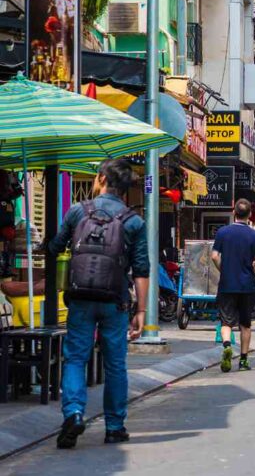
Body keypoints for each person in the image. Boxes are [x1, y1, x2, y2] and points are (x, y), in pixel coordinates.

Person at [48, 158, 149, 448]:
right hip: (115, 300)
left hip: (79, 298)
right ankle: (114, 426)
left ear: (102, 178)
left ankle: (74, 413)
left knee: (76, 358)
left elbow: (55, 247)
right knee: (116, 364)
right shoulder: (134, 221)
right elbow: (141, 269)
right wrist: (140, 311)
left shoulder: (77, 211)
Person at [211, 199, 255, 373]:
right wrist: (253, 270)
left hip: (227, 283)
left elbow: (214, 256)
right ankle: (243, 360)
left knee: (226, 322)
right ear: (250, 215)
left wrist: (223, 269)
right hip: (246, 286)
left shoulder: (222, 232)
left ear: (234, 212)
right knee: (245, 325)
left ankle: (227, 345)